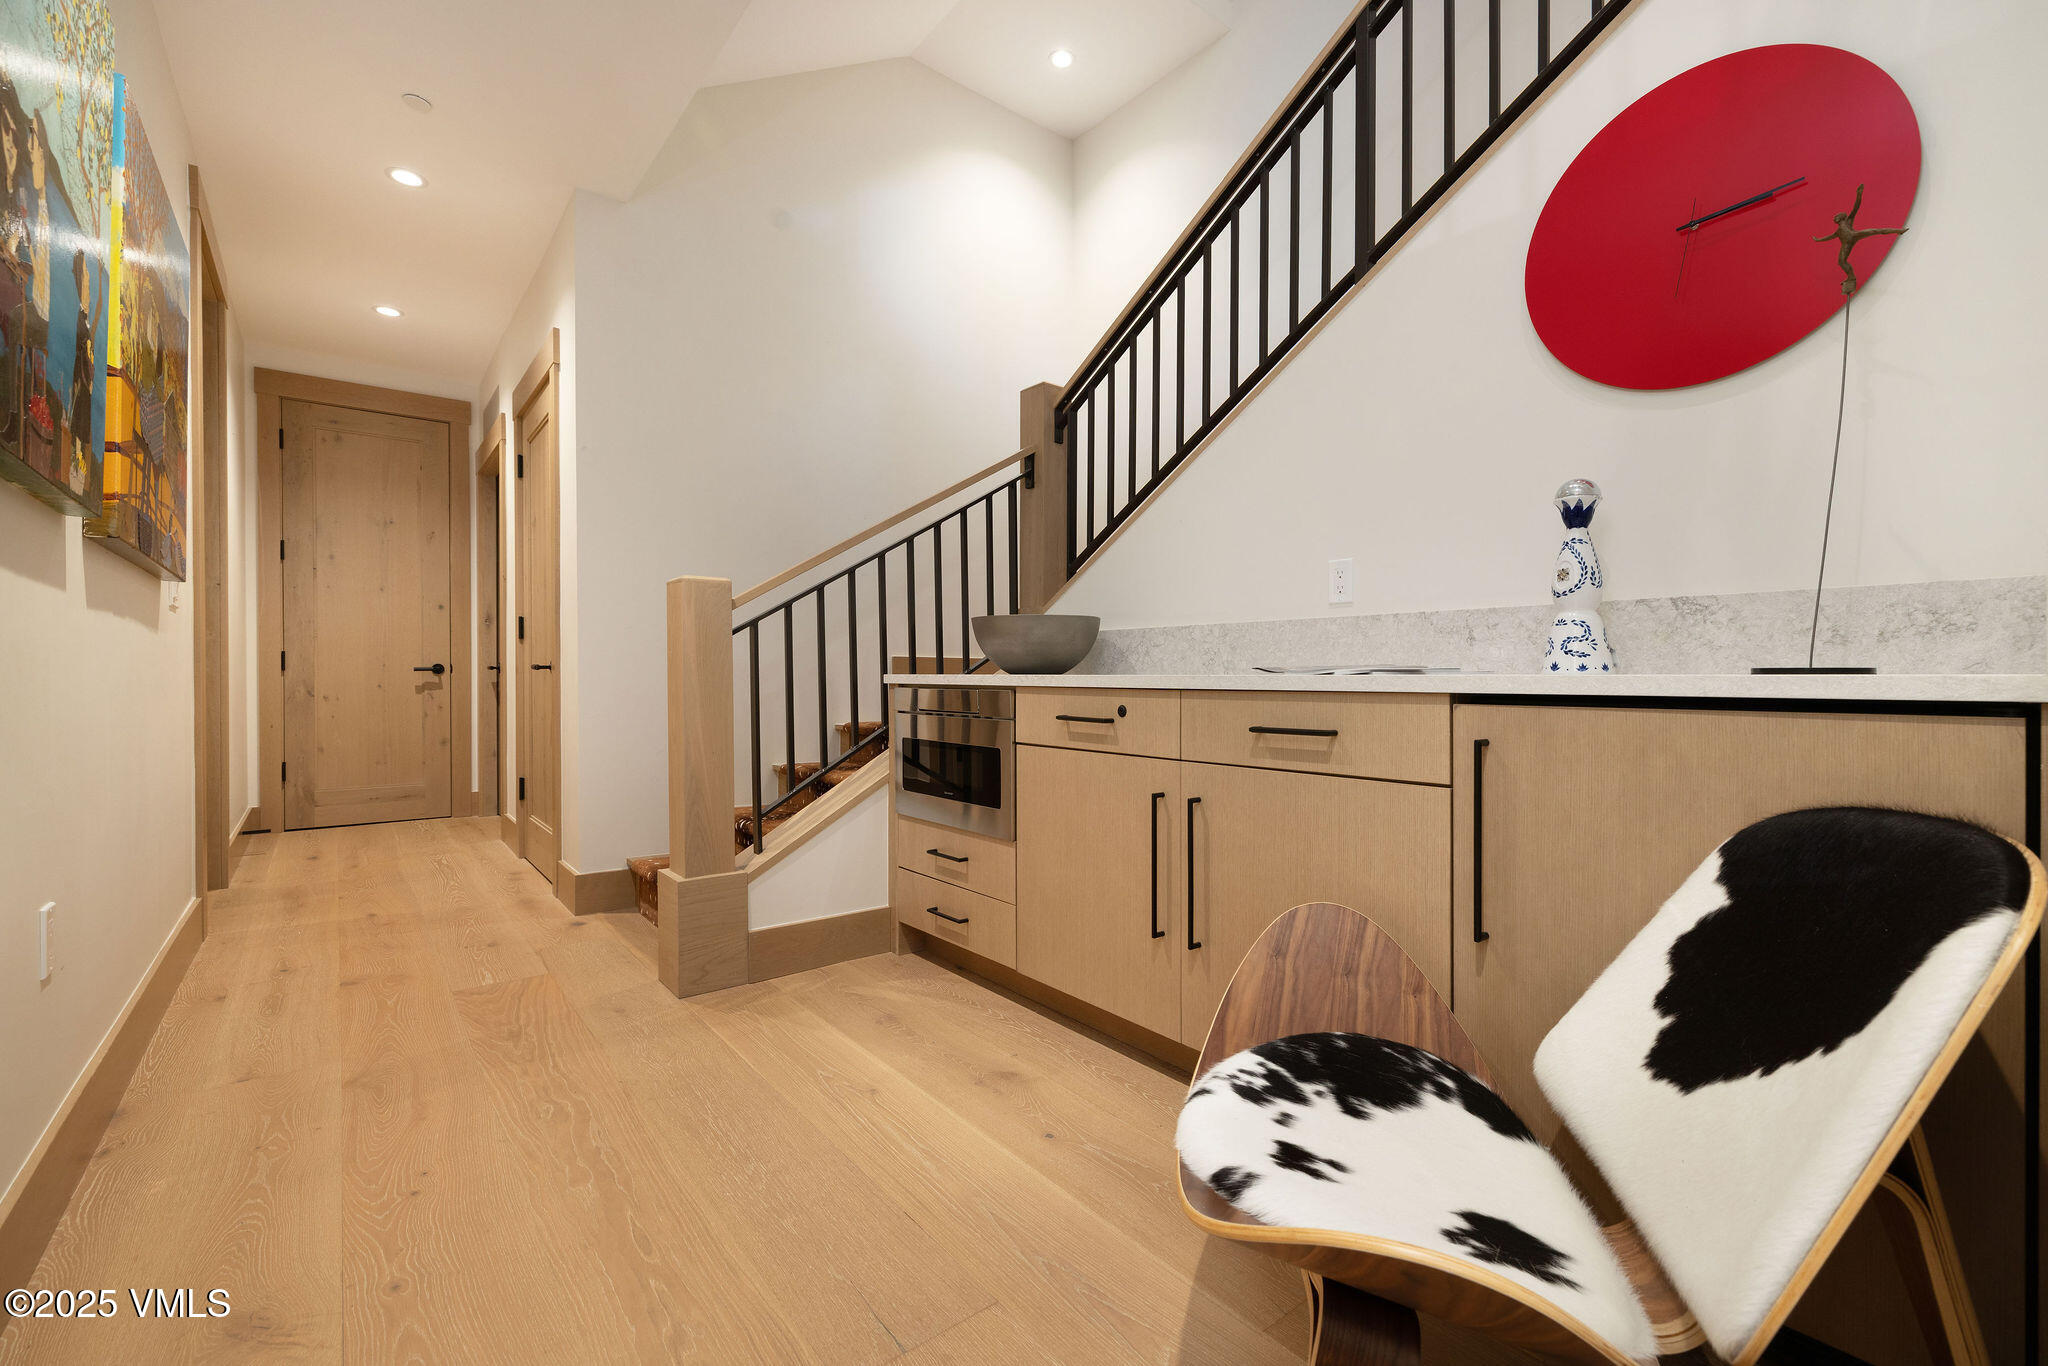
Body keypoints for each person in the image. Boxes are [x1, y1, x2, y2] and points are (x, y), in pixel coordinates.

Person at [1813, 183, 1908, 296]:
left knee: (1876, 231)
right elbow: (1830, 237)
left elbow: (1856, 207)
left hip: (1854, 235)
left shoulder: (1848, 221)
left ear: (1842, 217)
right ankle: (1851, 277)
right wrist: (1818, 240)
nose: (1834, 218)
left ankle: (1898, 231)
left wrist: (1859, 194)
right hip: (1846, 244)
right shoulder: (1838, 231)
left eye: (1836, 216)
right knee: (1841, 261)